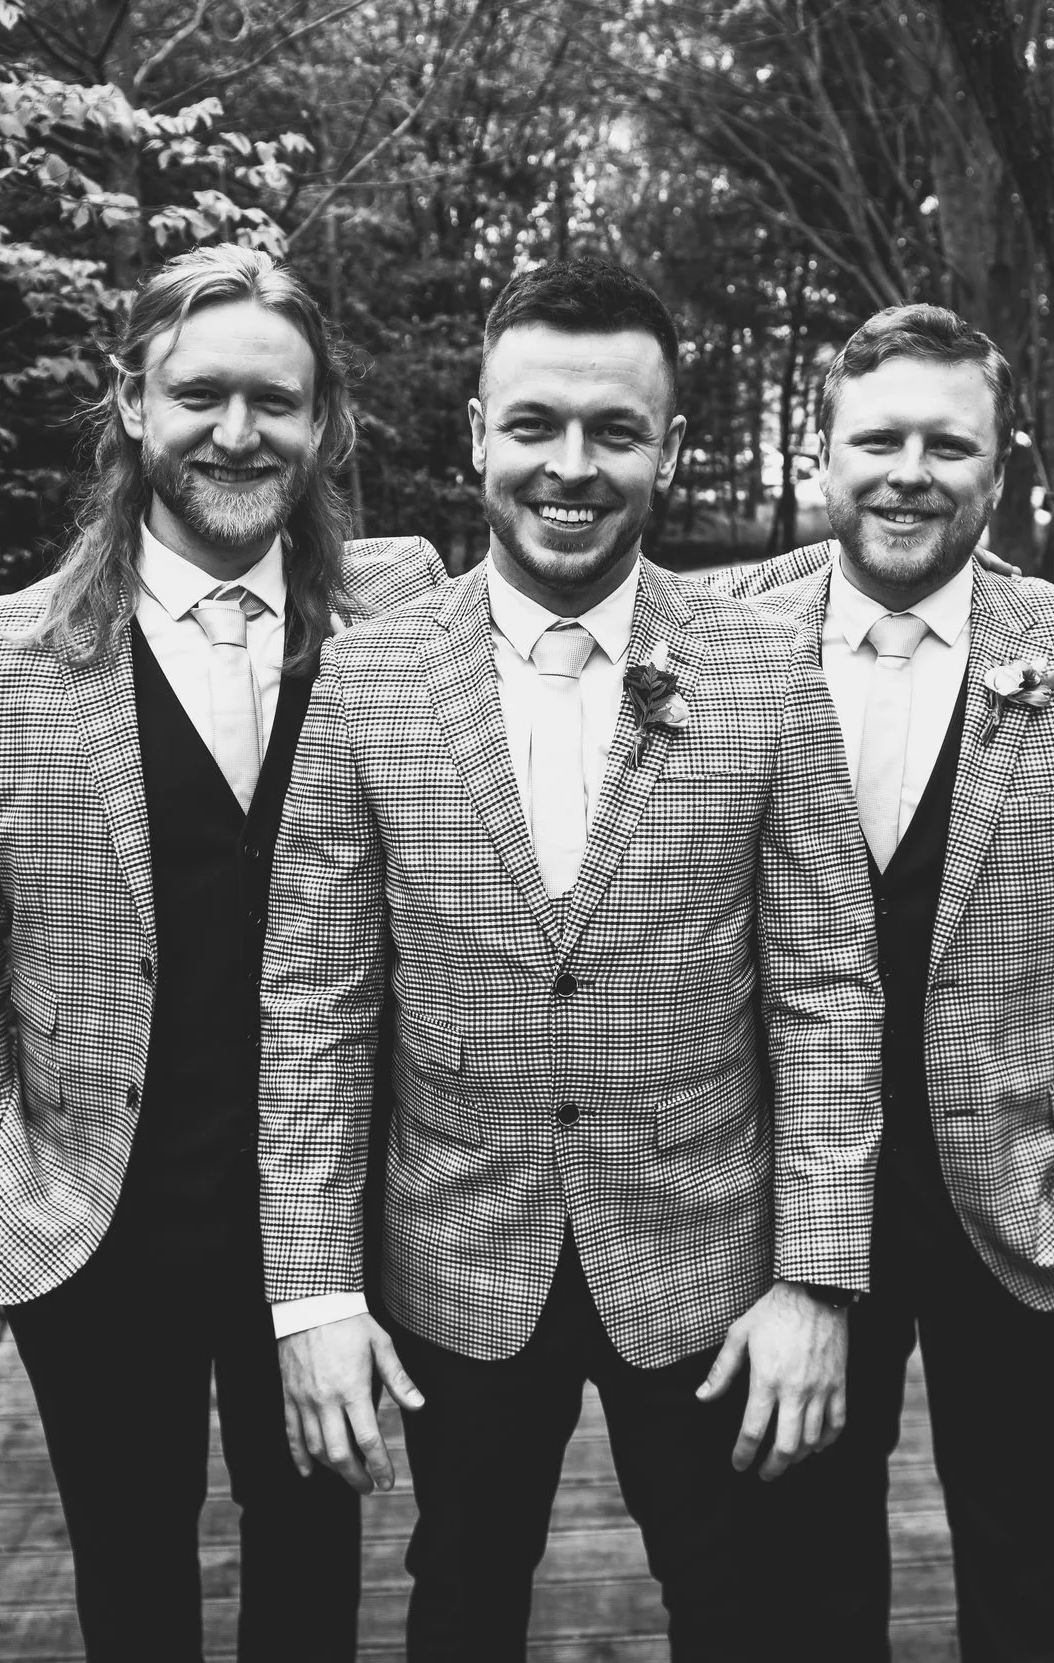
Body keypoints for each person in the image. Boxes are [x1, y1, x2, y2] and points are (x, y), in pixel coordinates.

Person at [257, 257, 884, 1661]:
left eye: (616, 430)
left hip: (708, 1260)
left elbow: (828, 986)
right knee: (460, 1603)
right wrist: (312, 1292)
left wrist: (819, 1280)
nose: (572, 466)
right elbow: (314, 1000)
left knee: (748, 1613)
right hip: (456, 1255)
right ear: (477, 434)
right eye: (535, 424)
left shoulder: (766, 670)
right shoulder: (367, 674)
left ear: (664, 445)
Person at [0, 244, 444, 1663]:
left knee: (316, 1548)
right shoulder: (0, 658)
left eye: (277, 399)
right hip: (100, 1217)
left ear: (326, 425)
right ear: (130, 402)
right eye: (202, 394)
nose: (239, 433)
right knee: (131, 1571)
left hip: (330, 1209)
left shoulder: (400, 611)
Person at [730, 304, 1054, 1662]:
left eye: (947, 445)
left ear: (997, 473)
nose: (909, 471)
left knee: (1023, 1544)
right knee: (802, 1545)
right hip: (781, 1204)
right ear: (820, 461)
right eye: (877, 439)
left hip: (1021, 1206)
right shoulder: (714, 633)